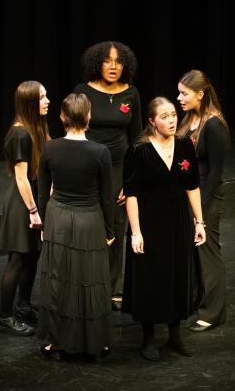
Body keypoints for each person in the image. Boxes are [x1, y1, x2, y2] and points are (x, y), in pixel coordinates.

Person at [122, 96, 206, 361]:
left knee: (177, 271)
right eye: (164, 117)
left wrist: (199, 221)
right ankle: (148, 337)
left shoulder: (184, 145)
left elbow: (192, 185)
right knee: (150, 274)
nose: (171, 120)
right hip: (149, 220)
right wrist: (136, 232)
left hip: (178, 219)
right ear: (152, 121)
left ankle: (174, 332)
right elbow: (132, 195)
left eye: (173, 115)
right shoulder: (139, 150)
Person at [37, 93, 115, 361]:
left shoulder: (50, 148)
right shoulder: (100, 152)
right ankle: (95, 342)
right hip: (89, 220)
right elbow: (108, 196)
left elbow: (42, 191)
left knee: (59, 278)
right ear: (89, 117)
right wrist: (110, 230)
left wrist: (45, 223)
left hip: (58, 217)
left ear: (62, 117)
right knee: (90, 280)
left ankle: (55, 341)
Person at [74, 41, 142, 309]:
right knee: (90, 225)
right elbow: (74, 130)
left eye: (118, 61)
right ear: (97, 63)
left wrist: (131, 179)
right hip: (89, 167)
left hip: (118, 168)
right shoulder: (83, 91)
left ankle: (113, 287)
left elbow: (136, 138)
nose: (113, 67)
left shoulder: (131, 93)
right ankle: (89, 282)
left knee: (116, 224)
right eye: (107, 61)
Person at [177, 69, 229, 331]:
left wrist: (200, 212)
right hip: (190, 195)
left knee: (208, 252)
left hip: (206, 196)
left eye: (184, 94)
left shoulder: (214, 125)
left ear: (200, 94)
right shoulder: (190, 119)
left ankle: (213, 312)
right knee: (192, 252)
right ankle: (197, 300)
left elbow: (216, 173)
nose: (179, 98)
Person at [0, 80, 50, 335]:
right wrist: (33, 211)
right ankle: (5, 315)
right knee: (17, 259)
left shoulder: (36, 128)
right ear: (30, 102)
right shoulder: (20, 133)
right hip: (22, 203)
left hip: (34, 199)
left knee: (33, 256)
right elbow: (21, 178)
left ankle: (24, 305)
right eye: (42, 97)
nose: (47, 101)